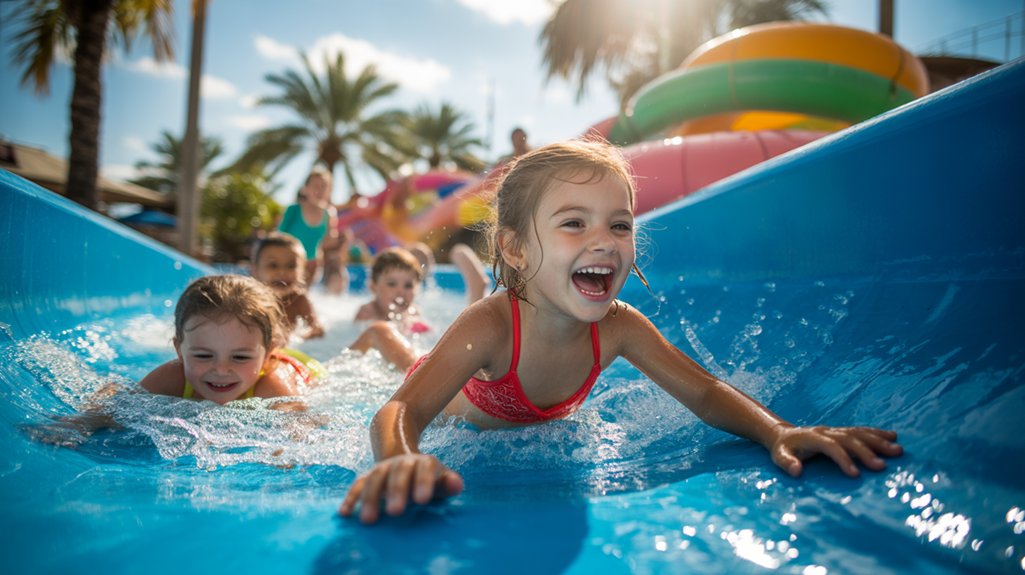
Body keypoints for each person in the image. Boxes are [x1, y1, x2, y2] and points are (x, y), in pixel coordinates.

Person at [339, 139, 902, 524]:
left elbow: (706, 393)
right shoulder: (491, 325)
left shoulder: (618, 327)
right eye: (573, 223)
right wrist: (399, 457)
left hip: (508, 399)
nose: (604, 241)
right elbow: (401, 409)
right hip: (457, 392)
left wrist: (778, 431)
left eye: (620, 224)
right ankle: (378, 333)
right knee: (404, 355)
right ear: (514, 247)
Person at [31, 275, 319, 445]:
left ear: (266, 355)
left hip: (301, 366)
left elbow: (298, 421)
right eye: (203, 355)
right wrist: (80, 423)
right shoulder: (173, 376)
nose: (221, 369)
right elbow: (119, 404)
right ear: (179, 350)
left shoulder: (272, 386)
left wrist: (288, 445)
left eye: (240, 356)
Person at [251, 232, 325, 339]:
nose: (282, 272)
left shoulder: (299, 300)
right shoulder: (251, 300)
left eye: (291, 266)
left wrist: (301, 338)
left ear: (303, 270)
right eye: (273, 265)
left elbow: (316, 329)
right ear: (255, 270)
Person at [278, 167, 338, 287]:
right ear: (305, 189)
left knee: (303, 295)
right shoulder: (293, 210)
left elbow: (329, 242)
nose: (319, 190)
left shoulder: (329, 214)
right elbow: (279, 236)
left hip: (312, 264)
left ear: (329, 190)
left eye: (324, 186)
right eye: (315, 186)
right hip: (288, 261)